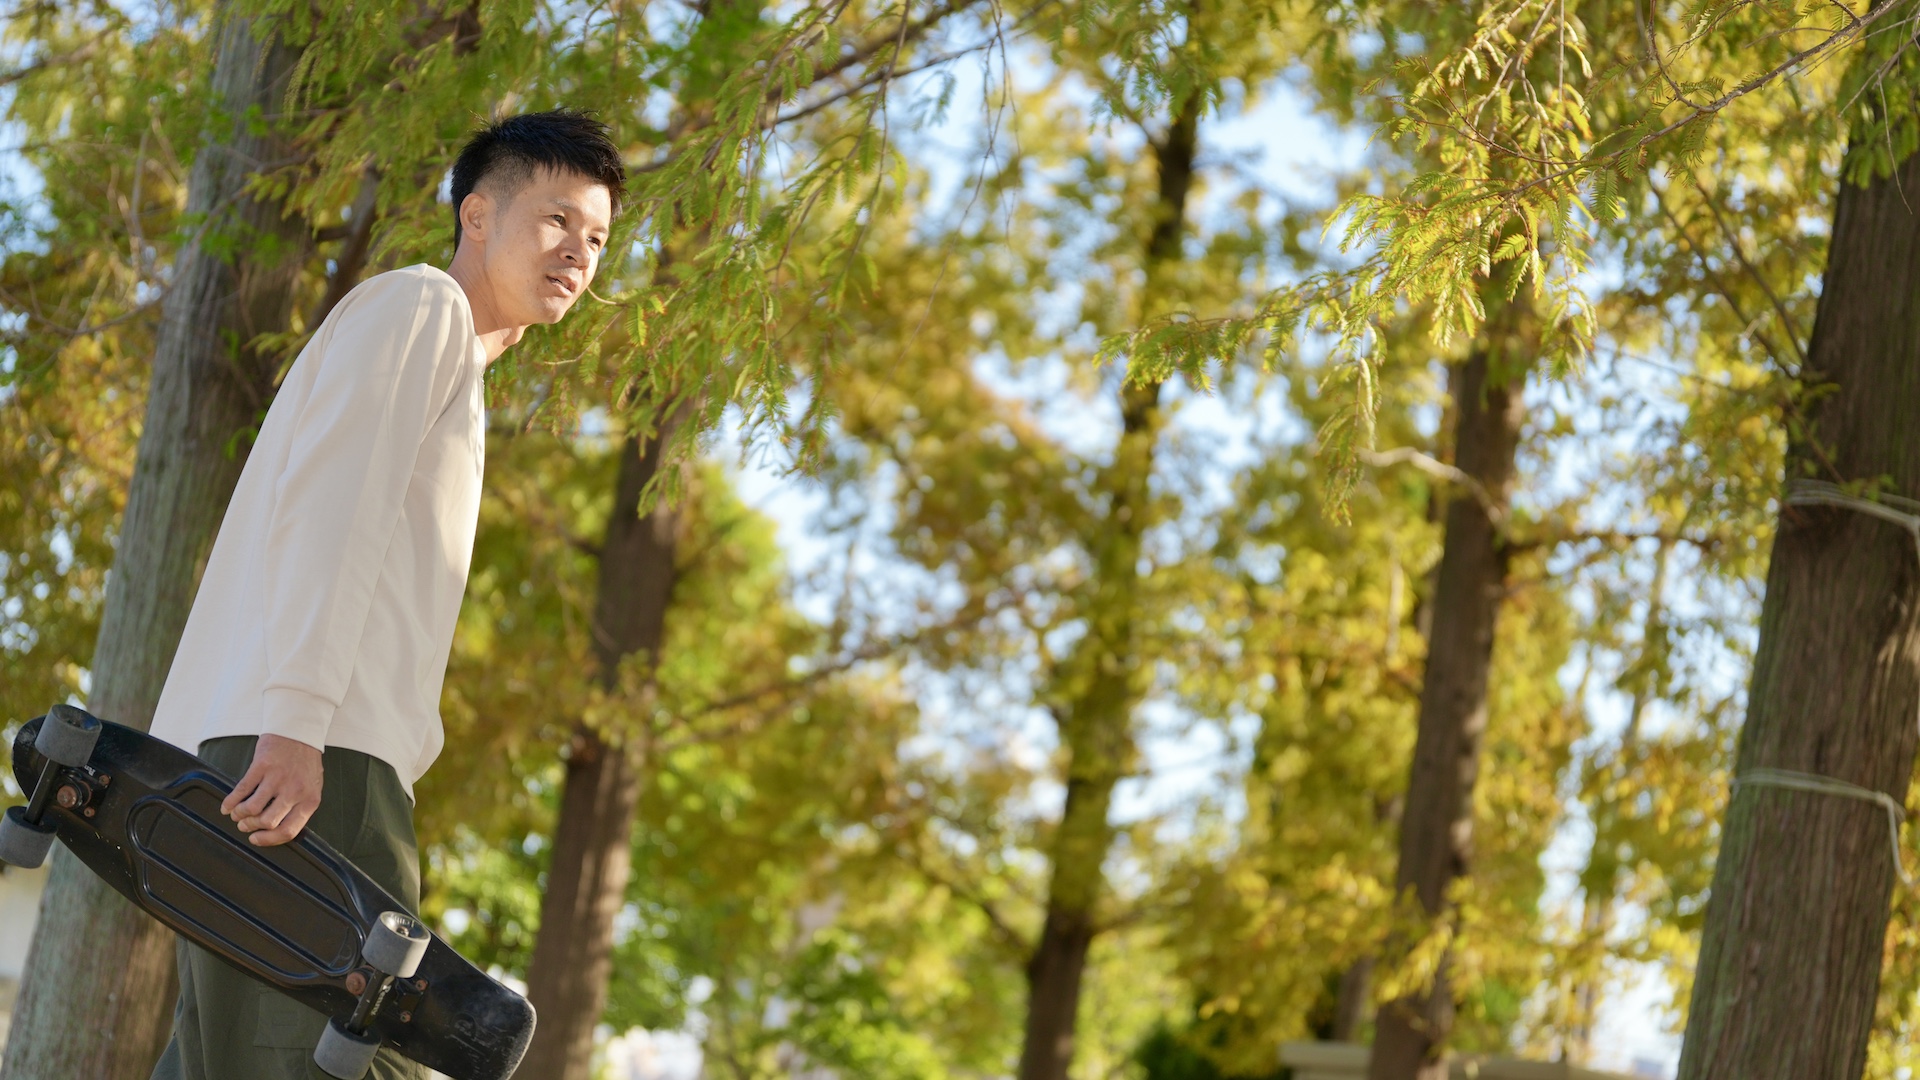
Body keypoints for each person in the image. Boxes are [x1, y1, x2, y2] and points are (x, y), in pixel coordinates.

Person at [146, 107, 623, 1080]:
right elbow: (335, 509)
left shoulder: (447, 356)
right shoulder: (423, 310)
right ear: (477, 216)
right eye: (557, 220)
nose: (578, 251)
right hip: (311, 759)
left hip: (265, 755)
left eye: (598, 237)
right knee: (334, 1060)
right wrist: (298, 723)